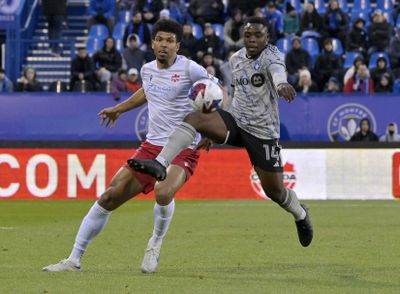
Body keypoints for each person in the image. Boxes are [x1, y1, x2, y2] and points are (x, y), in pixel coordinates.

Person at [42, 19, 214, 273]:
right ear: (153, 42)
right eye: (160, 39)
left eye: (169, 41)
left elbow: (216, 91)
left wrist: (212, 125)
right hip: (151, 146)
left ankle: (154, 243)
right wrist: (118, 109)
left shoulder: (192, 69)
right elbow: (146, 92)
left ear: (178, 45)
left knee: (163, 192)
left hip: (183, 147)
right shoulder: (147, 70)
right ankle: (73, 259)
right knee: (109, 196)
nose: (164, 45)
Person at [130, 17, 313, 250]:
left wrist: (281, 84)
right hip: (235, 121)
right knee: (194, 119)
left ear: (267, 37)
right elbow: (235, 95)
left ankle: (299, 213)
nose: (253, 40)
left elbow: (278, 73)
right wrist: (213, 129)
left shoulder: (273, 56)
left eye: (258, 35)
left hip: (262, 131)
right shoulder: (235, 59)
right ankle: (160, 162)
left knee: (275, 192)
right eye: (248, 36)